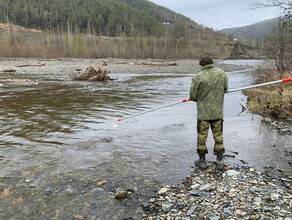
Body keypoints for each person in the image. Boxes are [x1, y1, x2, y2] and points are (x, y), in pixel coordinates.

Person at [189, 56, 228, 169]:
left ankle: (202, 161)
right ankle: (220, 160)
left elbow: (193, 96)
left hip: (203, 114)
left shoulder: (198, 77)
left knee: (202, 136)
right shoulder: (222, 74)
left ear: (202, 65)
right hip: (218, 112)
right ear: (212, 63)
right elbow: (225, 89)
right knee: (218, 135)